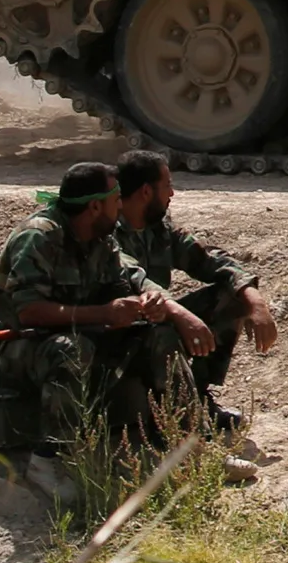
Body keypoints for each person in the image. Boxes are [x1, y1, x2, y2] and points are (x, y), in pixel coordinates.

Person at [0, 163, 185, 448]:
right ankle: (56, 456)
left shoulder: (102, 239)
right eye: (116, 199)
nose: (121, 206)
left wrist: (143, 305)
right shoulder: (39, 237)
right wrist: (104, 313)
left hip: (81, 333)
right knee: (71, 350)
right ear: (95, 207)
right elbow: (29, 311)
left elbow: (119, 288)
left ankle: (186, 438)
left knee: (160, 335)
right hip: (14, 348)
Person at [112, 150, 277, 439]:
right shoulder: (107, 232)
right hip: (119, 336)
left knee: (231, 297)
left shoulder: (157, 227)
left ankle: (197, 397)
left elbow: (208, 260)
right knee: (162, 331)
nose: (172, 193)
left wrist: (255, 300)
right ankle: (182, 427)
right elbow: (136, 280)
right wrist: (182, 316)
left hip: (157, 319)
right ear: (146, 191)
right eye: (167, 185)